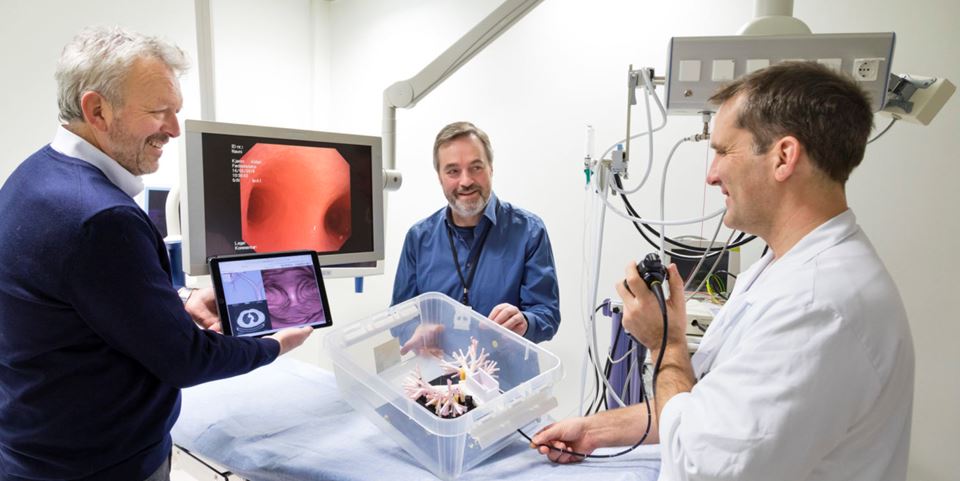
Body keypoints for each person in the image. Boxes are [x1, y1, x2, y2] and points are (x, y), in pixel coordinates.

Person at [532, 62, 915, 481]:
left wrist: (666, 343)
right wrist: (594, 429)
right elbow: (706, 411)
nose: (711, 175)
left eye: (722, 151)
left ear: (784, 156)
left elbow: (702, 465)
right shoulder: (783, 269)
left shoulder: (818, 304)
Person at [0, 27, 312, 481]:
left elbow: (98, 302)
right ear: (97, 109)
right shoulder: (101, 218)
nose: (174, 128)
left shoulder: (34, 176)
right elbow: (185, 360)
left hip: (37, 450)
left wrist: (178, 300)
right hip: (100, 468)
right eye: (159, 111)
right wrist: (270, 346)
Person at [392, 121, 560, 344]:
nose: (466, 181)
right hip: (438, 375)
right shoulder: (418, 238)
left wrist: (525, 322)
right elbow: (398, 319)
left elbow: (548, 314)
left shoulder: (529, 231)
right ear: (439, 177)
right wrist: (413, 331)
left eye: (476, 167)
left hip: (510, 376)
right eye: (453, 171)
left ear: (491, 168)